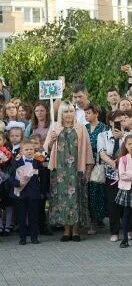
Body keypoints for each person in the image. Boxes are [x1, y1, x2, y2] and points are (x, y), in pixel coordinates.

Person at [44, 103, 93, 241]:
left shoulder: (81, 128)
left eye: (71, 111)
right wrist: (52, 140)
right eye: (65, 111)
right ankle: (66, 231)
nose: (69, 114)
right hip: (60, 169)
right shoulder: (55, 127)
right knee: (63, 200)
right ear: (61, 113)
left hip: (76, 169)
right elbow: (47, 149)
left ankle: (76, 231)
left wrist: (88, 169)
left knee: (75, 199)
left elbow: (88, 149)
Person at [97, 111, 125, 241]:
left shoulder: (129, 135)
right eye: (117, 121)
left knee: (126, 203)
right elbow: (102, 153)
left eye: (123, 120)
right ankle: (114, 232)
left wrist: (122, 137)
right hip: (111, 173)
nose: (120, 123)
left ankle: (128, 229)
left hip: (126, 173)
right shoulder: (103, 135)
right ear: (111, 122)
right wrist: (111, 162)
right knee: (112, 202)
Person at [10, 139, 42, 245]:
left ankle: (34, 237)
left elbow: (42, 177)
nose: (29, 151)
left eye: (31, 149)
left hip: (33, 194)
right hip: (20, 194)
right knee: (21, 217)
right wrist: (16, 183)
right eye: (26, 149)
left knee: (34, 216)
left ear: (34, 150)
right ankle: (22, 238)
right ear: (21, 151)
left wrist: (42, 191)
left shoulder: (37, 162)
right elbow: (10, 177)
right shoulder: (16, 162)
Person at [85, 104, 109, 235]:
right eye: (85, 113)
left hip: (99, 164)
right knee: (87, 193)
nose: (86, 115)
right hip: (86, 164)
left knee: (96, 193)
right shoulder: (84, 128)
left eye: (89, 112)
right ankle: (89, 221)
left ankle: (96, 221)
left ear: (96, 113)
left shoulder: (104, 128)